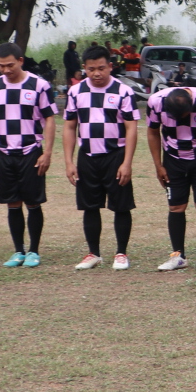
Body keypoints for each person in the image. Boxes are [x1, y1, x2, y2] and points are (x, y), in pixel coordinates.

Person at [62, 45, 140, 271]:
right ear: (84, 68)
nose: (96, 73)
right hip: (87, 156)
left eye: (101, 68)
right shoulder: (75, 92)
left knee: (121, 206)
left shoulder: (123, 91)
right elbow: (69, 127)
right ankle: (93, 253)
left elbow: (131, 128)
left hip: (115, 156)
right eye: (91, 69)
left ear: (110, 66)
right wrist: (69, 162)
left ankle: (121, 253)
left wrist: (127, 163)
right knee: (90, 206)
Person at [0, 41, 58, 268]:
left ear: (21, 61)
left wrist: (47, 153)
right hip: (3, 152)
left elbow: (50, 119)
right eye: (1, 66)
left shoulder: (39, 85)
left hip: (30, 151)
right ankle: (18, 251)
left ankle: (34, 251)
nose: (6, 70)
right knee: (12, 203)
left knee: (33, 202)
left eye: (10, 65)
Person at [147, 82, 196, 271]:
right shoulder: (155, 102)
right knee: (176, 206)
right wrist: (158, 165)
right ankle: (178, 256)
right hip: (173, 159)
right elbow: (152, 131)